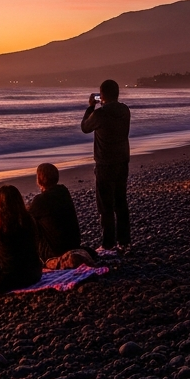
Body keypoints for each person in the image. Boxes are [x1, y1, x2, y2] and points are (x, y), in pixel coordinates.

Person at [81, 79, 131, 254]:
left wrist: (90, 107)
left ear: (101, 95)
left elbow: (85, 127)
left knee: (105, 206)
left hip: (105, 163)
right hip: (122, 161)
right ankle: (124, 241)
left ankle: (108, 244)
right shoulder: (125, 110)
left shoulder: (101, 114)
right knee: (120, 202)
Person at [27, 163, 96, 268]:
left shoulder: (41, 200)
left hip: (55, 251)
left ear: (39, 179)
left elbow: (24, 217)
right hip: (73, 244)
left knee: (32, 222)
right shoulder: (63, 191)